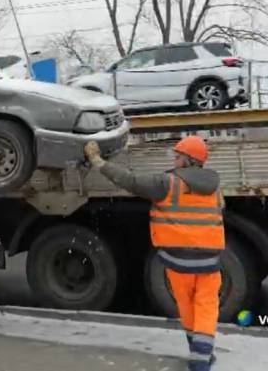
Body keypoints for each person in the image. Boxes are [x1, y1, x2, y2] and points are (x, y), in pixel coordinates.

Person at [84, 136, 223, 371]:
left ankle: (199, 354)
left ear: (188, 161)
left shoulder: (167, 183)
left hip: (178, 259)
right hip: (210, 259)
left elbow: (130, 180)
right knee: (207, 306)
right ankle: (202, 357)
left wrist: (98, 161)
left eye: (178, 156)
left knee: (187, 305)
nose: (175, 160)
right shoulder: (215, 187)